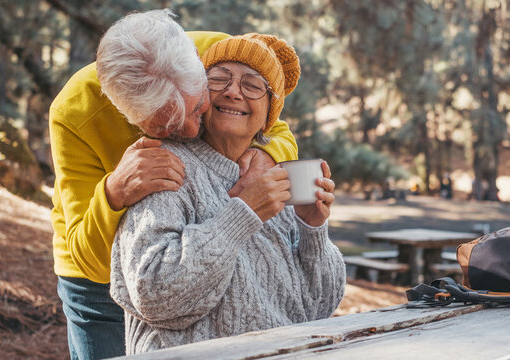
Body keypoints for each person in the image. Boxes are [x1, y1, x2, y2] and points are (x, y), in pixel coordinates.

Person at [49, 10, 298, 360]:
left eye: (197, 108)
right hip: (98, 288)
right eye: (167, 128)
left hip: (191, 253)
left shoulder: (221, 55)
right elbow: (88, 259)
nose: (193, 132)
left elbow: (276, 127)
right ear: (124, 112)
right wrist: (113, 192)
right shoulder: (74, 112)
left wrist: (266, 154)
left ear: (199, 67)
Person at [110, 33, 347, 354]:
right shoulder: (165, 165)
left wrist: (313, 229)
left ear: (269, 114)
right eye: (219, 79)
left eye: (252, 85)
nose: (233, 91)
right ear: (200, 97)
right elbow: (154, 294)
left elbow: (319, 307)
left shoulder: (277, 174)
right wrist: (244, 213)